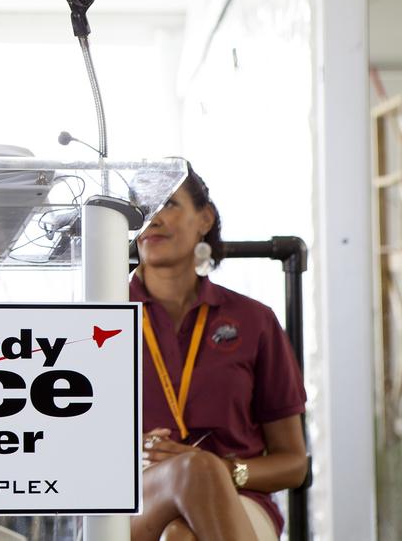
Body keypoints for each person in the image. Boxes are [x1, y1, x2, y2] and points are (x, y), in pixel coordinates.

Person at [131, 164, 308, 541]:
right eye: (140, 208)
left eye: (167, 205)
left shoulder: (253, 320)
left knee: (181, 536)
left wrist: (222, 469)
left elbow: (294, 464)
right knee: (193, 475)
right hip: (131, 500)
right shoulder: (97, 317)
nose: (152, 219)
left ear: (205, 219)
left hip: (239, 498)